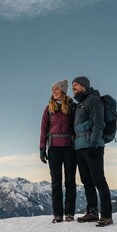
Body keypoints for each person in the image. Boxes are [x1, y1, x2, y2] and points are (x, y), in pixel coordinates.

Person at [72, 76, 113, 227]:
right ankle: (92, 212)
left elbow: (99, 123)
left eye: (75, 85)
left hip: (92, 146)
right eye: (72, 86)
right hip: (80, 147)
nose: (73, 88)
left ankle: (107, 216)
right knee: (86, 181)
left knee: (99, 180)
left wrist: (94, 144)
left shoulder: (93, 100)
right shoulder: (80, 103)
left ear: (84, 85)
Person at [39, 80, 77, 223]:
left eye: (56, 89)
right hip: (54, 148)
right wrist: (42, 148)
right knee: (56, 182)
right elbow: (43, 129)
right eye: (52, 89)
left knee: (70, 181)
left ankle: (69, 214)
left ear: (63, 91)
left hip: (69, 148)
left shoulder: (72, 107)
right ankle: (57, 214)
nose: (53, 92)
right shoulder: (48, 109)